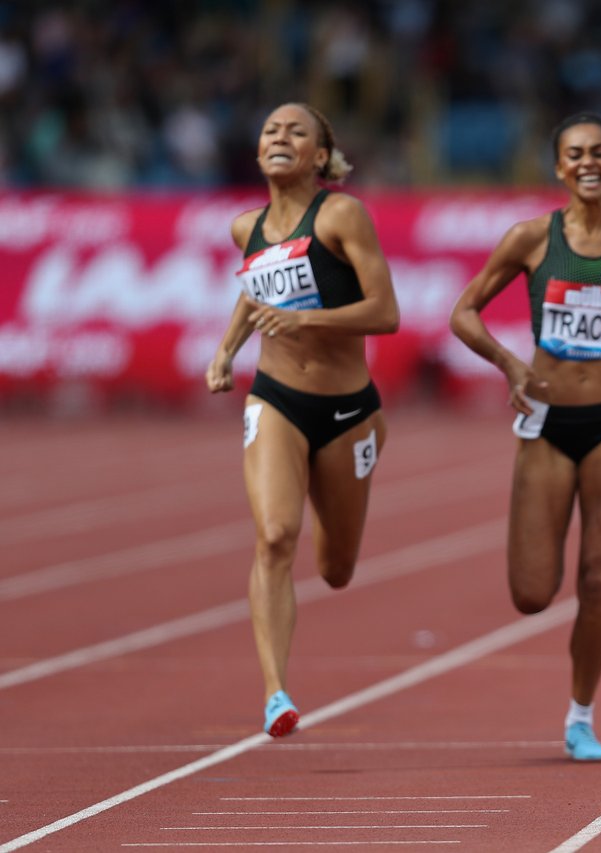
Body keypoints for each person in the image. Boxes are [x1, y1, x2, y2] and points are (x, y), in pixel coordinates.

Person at [448, 113, 601, 761]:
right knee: (532, 593)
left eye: (600, 152)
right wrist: (510, 363)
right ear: (559, 168)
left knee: (596, 578)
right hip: (548, 421)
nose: (588, 162)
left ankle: (581, 716)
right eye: (574, 154)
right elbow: (462, 312)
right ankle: (575, 701)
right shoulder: (530, 238)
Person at [205, 102, 399, 738]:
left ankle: (343, 485)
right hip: (276, 398)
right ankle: (275, 694)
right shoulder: (246, 227)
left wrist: (308, 320)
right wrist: (227, 350)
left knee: (336, 568)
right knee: (275, 536)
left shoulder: (341, 214)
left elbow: (385, 311)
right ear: (258, 152)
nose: (280, 138)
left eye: (296, 132)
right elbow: (254, 288)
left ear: (320, 157)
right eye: (269, 130)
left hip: (347, 411)